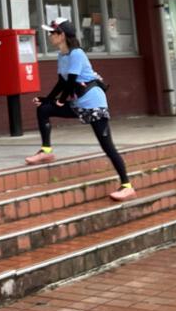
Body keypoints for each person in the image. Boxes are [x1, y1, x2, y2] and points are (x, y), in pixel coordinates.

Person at [25, 18, 136, 202]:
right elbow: (62, 82)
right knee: (44, 109)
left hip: (93, 104)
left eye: (52, 33)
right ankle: (46, 151)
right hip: (78, 103)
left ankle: (127, 186)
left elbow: (71, 81)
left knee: (107, 147)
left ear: (62, 35)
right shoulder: (62, 56)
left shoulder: (77, 54)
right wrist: (48, 99)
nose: (50, 36)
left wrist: (60, 100)